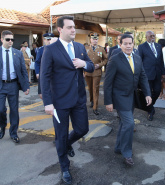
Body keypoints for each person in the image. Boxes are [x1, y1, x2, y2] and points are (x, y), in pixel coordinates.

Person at [40, 16, 94, 184]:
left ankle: (67, 144)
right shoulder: (51, 49)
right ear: (60, 30)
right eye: (70, 27)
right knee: (60, 136)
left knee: (82, 129)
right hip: (59, 102)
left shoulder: (79, 47)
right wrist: (48, 102)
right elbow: (44, 76)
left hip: (78, 99)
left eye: (74, 27)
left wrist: (83, 64)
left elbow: (91, 65)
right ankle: (64, 167)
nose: (73, 30)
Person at [104, 34, 152, 166]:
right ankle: (127, 153)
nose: (128, 46)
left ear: (133, 44)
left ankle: (118, 147)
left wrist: (147, 94)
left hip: (132, 97)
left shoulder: (137, 58)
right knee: (130, 124)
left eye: (130, 43)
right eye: (125, 43)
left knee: (124, 124)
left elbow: (143, 77)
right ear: (120, 45)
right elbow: (107, 83)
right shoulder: (114, 60)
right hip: (119, 97)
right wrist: (108, 101)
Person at [0, 30, 29, 143]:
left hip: (13, 85)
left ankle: (13, 133)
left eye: (12, 39)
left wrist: (26, 86)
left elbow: (23, 71)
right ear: (2, 39)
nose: (10, 41)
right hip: (1, 85)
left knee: (14, 110)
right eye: (8, 39)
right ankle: (2, 127)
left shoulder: (18, 53)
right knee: (1, 109)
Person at [138, 30, 165, 121]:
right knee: (148, 93)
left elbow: (161, 60)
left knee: (157, 91)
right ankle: (150, 111)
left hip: (157, 74)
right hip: (147, 75)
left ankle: (150, 105)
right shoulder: (142, 47)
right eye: (151, 36)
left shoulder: (158, 46)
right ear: (146, 37)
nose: (153, 37)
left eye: (154, 36)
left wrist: (163, 72)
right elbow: (139, 61)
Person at [85, 32, 108, 115]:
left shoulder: (101, 49)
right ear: (90, 39)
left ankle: (95, 107)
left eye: (96, 39)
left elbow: (106, 59)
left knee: (95, 89)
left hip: (97, 72)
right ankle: (92, 100)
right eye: (93, 39)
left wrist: (100, 65)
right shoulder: (86, 48)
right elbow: (83, 59)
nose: (95, 40)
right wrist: (83, 71)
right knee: (90, 88)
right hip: (88, 72)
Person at [35, 33, 54, 99]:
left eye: (50, 39)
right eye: (47, 39)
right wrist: (37, 72)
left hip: (55, 75)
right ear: (44, 40)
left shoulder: (57, 49)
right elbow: (37, 62)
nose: (49, 41)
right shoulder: (41, 50)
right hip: (44, 74)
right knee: (42, 95)